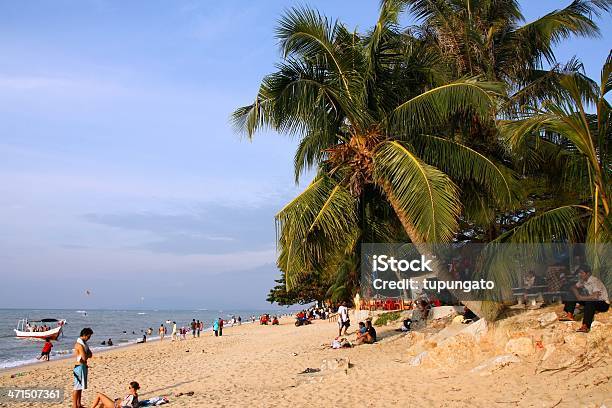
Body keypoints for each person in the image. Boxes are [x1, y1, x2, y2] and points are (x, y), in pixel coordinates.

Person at [558, 265, 610, 332]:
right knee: (571, 294)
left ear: (588, 274)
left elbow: (595, 297)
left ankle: (585, 326)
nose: (580, 274)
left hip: (603, 304)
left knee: (590, 302)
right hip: (593, 301)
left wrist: (581, 297)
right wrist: (578, 296)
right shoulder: (583, 280)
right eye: (579, 273)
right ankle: (569, 315)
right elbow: (573, 287)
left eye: (582, 273)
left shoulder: (594, 281)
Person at [72, 327, 93, 408]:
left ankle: (79, 404)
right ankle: (74, 405)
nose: (89, 338)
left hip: (83, 366)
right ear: (84, 335)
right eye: (88, 336)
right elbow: (84, 357)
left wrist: (86, 354)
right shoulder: (79, 345)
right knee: (77, 387)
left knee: (80, 387)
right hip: (79, 367)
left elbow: (90, 355)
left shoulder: (84, 344)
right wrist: (86, 354)